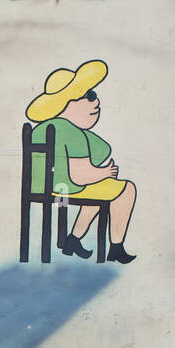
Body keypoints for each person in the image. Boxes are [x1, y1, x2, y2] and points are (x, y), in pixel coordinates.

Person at [25, 59, 137, 264]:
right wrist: (106, 173)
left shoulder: (44, 128)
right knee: (126, 189)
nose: (96, 102)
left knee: (101, 189)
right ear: (67, 103)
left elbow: (100, 150)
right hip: (64, 191)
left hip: (46, 188)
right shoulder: (69, 131)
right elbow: (79, 175)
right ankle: (116, 247)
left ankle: (73, 239)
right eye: (89, 96)